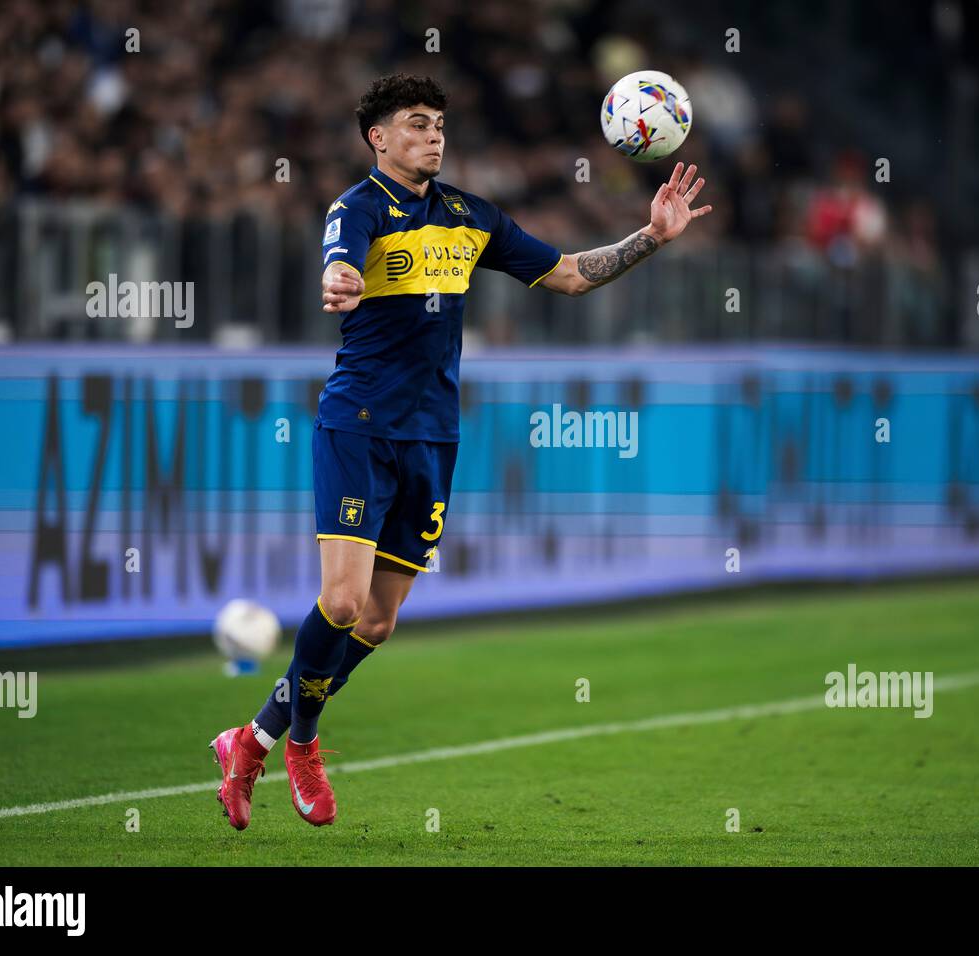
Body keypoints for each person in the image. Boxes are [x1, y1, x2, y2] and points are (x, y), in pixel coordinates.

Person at [209, 72, 712, 829]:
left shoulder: (471, 216)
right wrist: (341, 279)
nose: (434, 135)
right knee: (341, 602)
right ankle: (301, 744)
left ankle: (249, 739)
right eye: (416, 123)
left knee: (377, 623)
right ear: (379, 137)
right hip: (359, 424)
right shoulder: (356, 208)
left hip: (434, 434)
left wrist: (651, 237)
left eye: (439, 123)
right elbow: (340, 260)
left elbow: (569, 275)